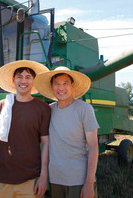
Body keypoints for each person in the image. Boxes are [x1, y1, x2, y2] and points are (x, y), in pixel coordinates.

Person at [0, 60, 51, 198]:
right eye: (20, 76)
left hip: (31, 180)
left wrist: (44, 176)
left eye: (28, 77)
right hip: (2, 180)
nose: (23, 81)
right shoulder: (1, 106)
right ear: (13, 80)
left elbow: (46, 143)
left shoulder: (42, 108)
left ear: (33, 81)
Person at [34, 66, 99, 198]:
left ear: (72, 85)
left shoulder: (84, 109)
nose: (61, 88)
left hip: (78, 181)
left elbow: (93, 146)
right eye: (57, 84)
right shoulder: (48, 110)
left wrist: (89, 184)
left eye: (65, 83)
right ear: (52, 87)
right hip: (55, 180)